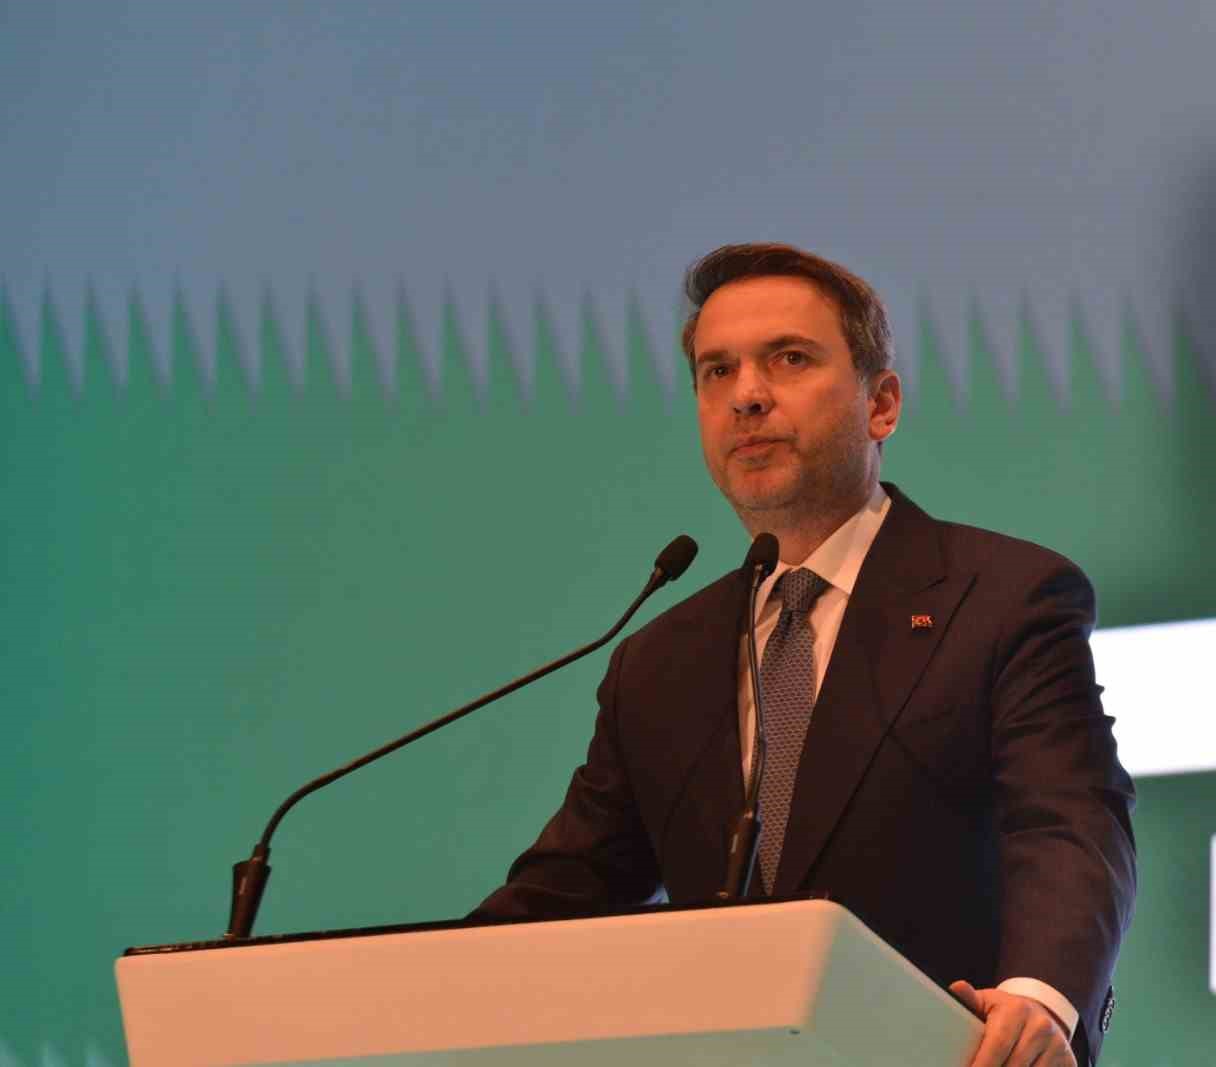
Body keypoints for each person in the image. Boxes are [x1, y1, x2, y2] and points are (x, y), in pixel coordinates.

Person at [473, 243, 1137, 1067]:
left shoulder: (1004, 600)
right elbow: (562, 894)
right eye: (717, 371)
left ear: (881, 404)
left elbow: (1069, 822)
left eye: (788, 358)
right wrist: (408, 992)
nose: (747, 395)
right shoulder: (657, 662)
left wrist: (1039, 998)